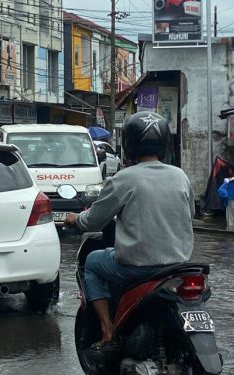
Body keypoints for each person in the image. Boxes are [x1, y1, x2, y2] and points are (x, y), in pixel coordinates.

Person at [64, 111, 194, 355]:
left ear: (129, 143)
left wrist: (75, 219)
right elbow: (191, 213)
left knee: (92, 262)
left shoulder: (123, 179)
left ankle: (107, 330)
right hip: (178, 266)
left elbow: (93, 220)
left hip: (139, 266)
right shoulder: (181, 176)